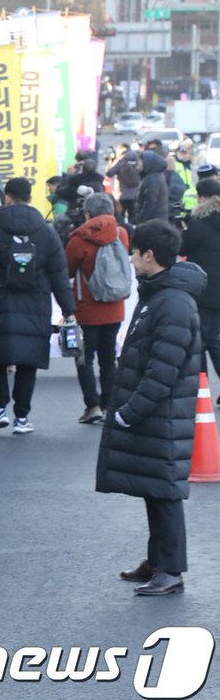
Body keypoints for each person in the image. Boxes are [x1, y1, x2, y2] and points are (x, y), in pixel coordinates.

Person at [96, 220, 204, 597]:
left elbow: (163, 370)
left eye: (134, 253)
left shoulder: (172, 302)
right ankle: (157, 560)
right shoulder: (159, 293)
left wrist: (130, 411)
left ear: (149, 255)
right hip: (158, 414)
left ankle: (171, 570)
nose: (131, 259)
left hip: (163, 414)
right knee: (154, 488)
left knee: (165, 493)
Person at [0, 178, 76, 435]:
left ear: (7, 198)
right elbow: (59, 274)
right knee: (28, 360)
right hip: (36, 303)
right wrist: (68, 310)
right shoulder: (45, 231)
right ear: (30, 198)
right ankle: (21, 417)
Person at [66, 193, 131, 424]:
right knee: (108, 357)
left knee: (84, 357)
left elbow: (67, 269)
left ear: (87, 214)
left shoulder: (78, 239)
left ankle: (92, 405)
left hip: (87, 308)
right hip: (115, 306)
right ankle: (108, 405)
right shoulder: (121, 234)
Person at [180, 178, 220, 384]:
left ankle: (202, 386)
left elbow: (182, 248)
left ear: (201, 197)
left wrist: (183, 228)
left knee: (201, 341)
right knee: (216, 339)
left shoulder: (199, 224)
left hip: (204, 291)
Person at [107, 146, 143, 224]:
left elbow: (109, 173)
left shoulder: (120, 163)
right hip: (135, 194)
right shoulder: (138, 162)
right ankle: (133, 229)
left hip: (121, 194)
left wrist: (112, 161)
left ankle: (123, 230)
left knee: (121, 217)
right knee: (133, 216)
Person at [135, 150, 170, 223]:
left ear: (147, 162)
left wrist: (141, 218)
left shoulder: (152, 178)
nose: (138, 164)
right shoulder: (155, 175)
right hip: (157, 219)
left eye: (140, 161)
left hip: (152, 220)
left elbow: (150, 201)